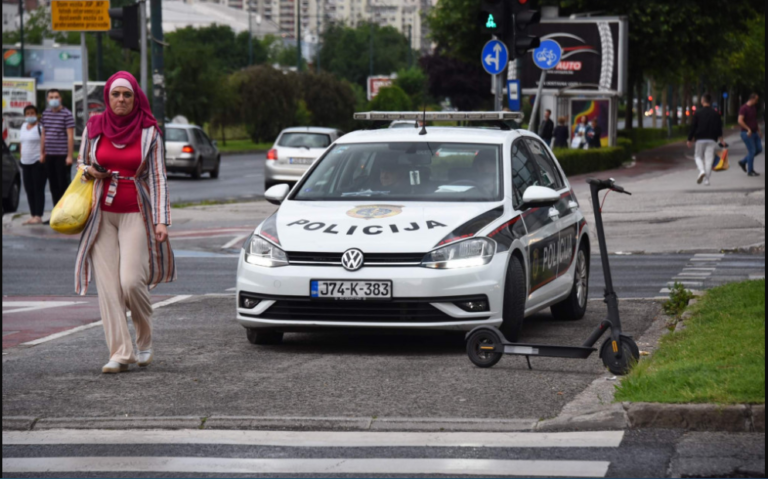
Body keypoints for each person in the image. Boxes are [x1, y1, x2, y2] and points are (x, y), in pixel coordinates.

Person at [74, 72, 176, 374]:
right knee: (108, 287)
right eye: (116, 94)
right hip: (101, 216)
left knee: (131, 281)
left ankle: (144, 339)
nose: (121, 99)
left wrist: (161, 220)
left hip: (136, 213)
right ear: (108, 97)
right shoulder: (93, 127)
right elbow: (80, 164)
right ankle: (120, 352)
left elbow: (158, 176)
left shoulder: (149, 131)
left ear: (135, 99)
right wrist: (91, 171)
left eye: (127, 95)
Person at [40, 89, 75, 212]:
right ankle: (56, 212)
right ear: (47, 99)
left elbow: (70, 136)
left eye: (56, 96)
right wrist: (42, 153)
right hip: (50, 155)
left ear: (60, 99)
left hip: (62, 155)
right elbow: (43, 134)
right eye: (51, 97)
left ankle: (65, 211)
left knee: (63, 185)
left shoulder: (67, 114)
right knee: (53, 185)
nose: (53, 99)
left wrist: (69, 156)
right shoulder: (45, 114)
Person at [18, 105, 47, 225]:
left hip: (37, 162)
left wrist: (42, 156)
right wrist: (21, 156)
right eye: (28, 113)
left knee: (38, 189)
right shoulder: (23, 126)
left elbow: (44, 142)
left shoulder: (40, 127)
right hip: (25, 162)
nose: (30, 115)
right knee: (29, 189)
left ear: (36, 114)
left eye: (32, 113)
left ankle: (38, 215)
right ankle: (32, 214)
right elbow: (21, 143)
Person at [687, 94, 724, 186]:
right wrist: (721, 138)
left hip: (700, 138)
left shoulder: (698, 113)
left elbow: (693, 127)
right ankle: (706, 180)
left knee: (698, 156)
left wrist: (689, 139)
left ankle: (701, 170)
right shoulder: (715, 113)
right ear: (710, 102)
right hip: (712, 139)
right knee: (709, 159)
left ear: (702, 101)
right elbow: (719, 127)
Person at [737, 93, 763, 177]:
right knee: (752, 150)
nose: (757, 101)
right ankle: (750, 171)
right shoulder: (744, 108)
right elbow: (740, 120)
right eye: (756, 100)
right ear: (752, 99)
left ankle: (743, 161)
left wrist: (759, 131)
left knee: (759, 149)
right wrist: (748, 129)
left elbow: (754, 120)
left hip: (755, 132)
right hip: (746, 133)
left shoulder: (753, 108)